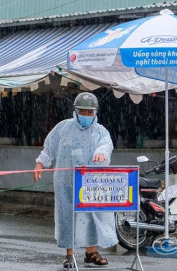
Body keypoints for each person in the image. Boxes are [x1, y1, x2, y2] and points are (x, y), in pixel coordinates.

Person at [33, 92, 117, 268]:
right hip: (65, 181)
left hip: (90, 181)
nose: (86, 115)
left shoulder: (100, 131)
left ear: (95, 113)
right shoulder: (63, 127)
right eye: (83, 111)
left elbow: (105, 146)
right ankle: (69, 255)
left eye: (90, 112)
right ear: (76, 111)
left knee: (91, 215)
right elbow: (49, 148)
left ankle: (91, 252)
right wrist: (40, 163)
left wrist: (100, 154)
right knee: (66, 216)